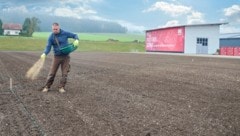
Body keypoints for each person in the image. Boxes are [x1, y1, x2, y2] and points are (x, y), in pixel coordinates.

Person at [40, 22, 79, 93]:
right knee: (52, 73)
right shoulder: (51, 37)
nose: (55, 30)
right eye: (53, 29)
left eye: (56, 29)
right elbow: (48, 47)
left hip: (66, 57)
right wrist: (44, 53)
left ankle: (61, 87)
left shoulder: (65, 33)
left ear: (59, 28)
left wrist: (76, 40)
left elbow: (75, 35)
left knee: (65, 73)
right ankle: (47, 86)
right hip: (57, 57)